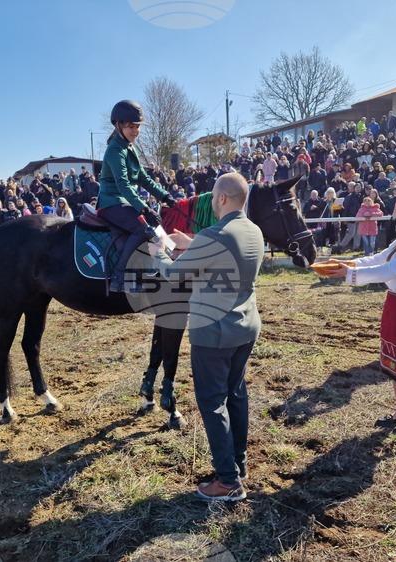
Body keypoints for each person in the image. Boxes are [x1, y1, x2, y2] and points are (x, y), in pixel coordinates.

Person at [149, 173, 262, 501]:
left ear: (222, 198)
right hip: (246, 325)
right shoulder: (253, 230)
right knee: (236, 395)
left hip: (214, 331)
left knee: (212, 402)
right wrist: (191, 242)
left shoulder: (213, 236)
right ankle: (238, 464)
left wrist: (159, 251)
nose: (211, 201)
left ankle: (227, 482)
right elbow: (220, 248)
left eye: (213, 196)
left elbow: (173, 274)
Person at [325, 189, 396, 439]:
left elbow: (391, 269)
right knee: (394, 360)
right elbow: (379, 258)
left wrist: (350, 274)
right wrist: (350, 264)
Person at [97, 99, 175, 293]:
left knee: (155, 225)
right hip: (111, 202)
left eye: (137, 126)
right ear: (118, 125)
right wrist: (144, 209)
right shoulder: (115, 151)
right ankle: (120, 278)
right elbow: (123, 185)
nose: (135, 131)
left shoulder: (129, 148)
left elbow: (143, 178)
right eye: (131, 126)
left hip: (124, 201)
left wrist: (165, 196)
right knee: (143, 228)